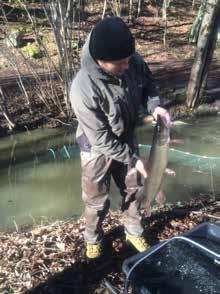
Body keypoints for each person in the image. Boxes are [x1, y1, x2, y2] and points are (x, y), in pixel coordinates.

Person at [70, 17, 170, 259]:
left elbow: (149, 86)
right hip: (95, 145)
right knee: (96, 199)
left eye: (129, 60)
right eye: (120, 64)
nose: (128, 66)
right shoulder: (83, 88)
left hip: (126, 136)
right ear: (100, 61)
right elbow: (101, 139)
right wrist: (134, 159)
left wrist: (154, 106)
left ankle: (133, 230)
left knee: (133, 190)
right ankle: (93, 238)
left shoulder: (131, 59)